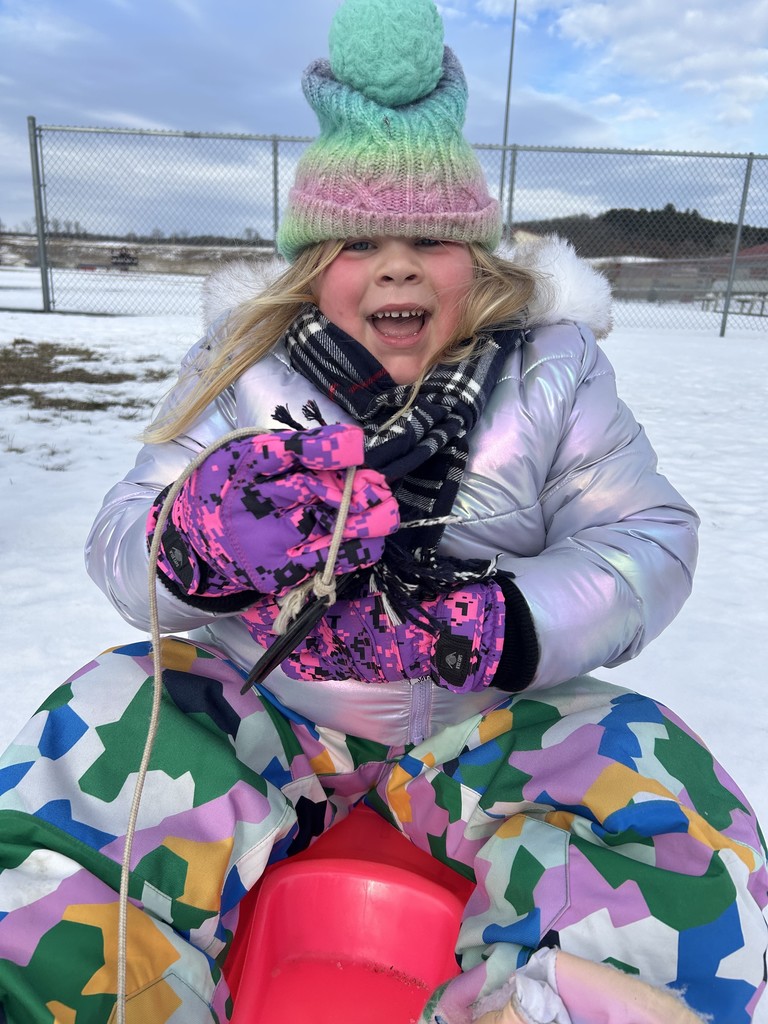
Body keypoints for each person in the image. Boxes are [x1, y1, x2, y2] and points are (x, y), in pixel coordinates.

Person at [0, 1, 766, 1022]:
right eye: (357, 240)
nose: (396, 264)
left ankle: (541, 1003)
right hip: (273, 708)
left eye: (432, 240)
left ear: (479, 262)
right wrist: (200, 537)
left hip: (492, 717)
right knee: (100, 725)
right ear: (316, 267)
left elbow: (647, 539)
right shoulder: (241, 370)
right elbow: (119, 539)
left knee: (669, 799)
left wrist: (513, 622)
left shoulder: (551, 371)